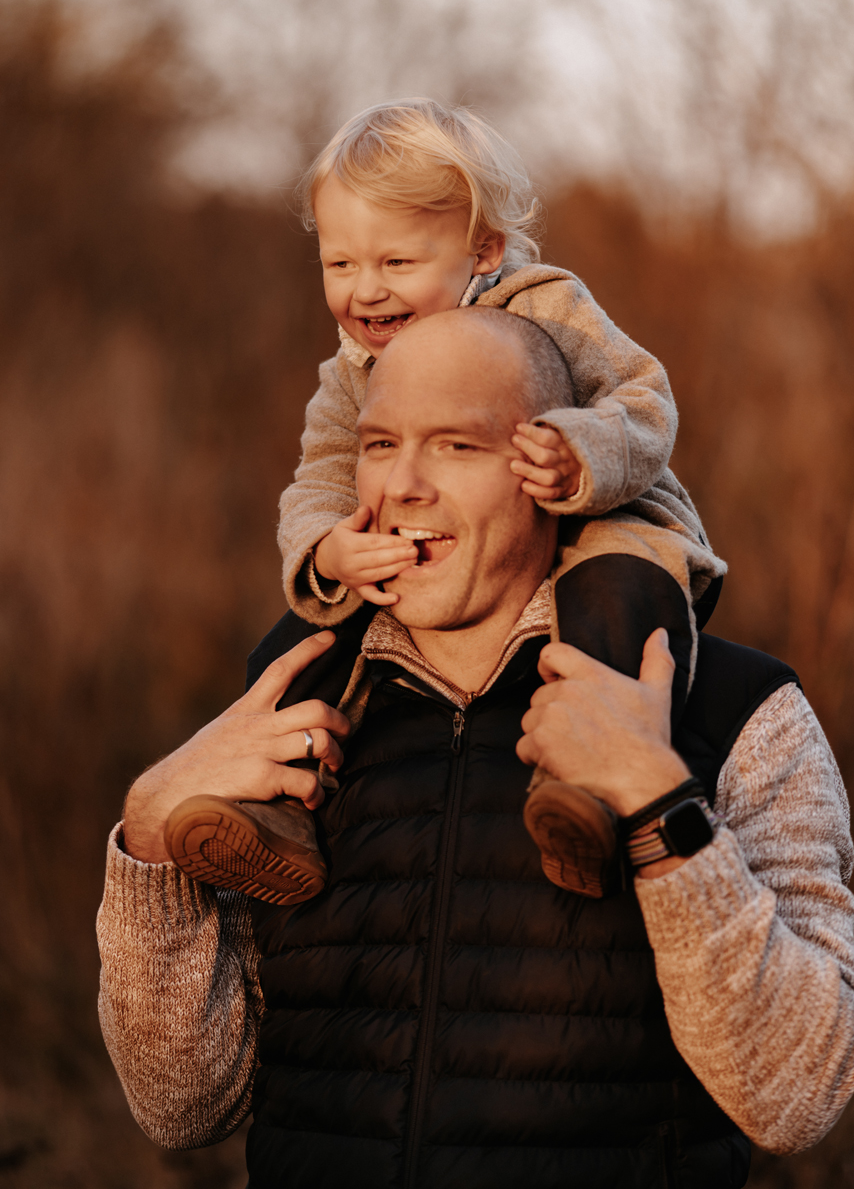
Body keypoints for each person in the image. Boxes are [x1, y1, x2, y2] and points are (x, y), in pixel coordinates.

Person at [98, 307, 854, 1189]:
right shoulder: (289, 708)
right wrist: (150, 844)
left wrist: (661, 807)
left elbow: (800, 1098)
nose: (404, 485)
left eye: (456, 446)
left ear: (556, 468)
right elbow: (181, 1109)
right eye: (379, 445)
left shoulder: (733, 710)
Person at [162, 97, 727, 907]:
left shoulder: (547, 309)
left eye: (397, 264)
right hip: (423, 550)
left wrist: (580, 450)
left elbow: (643, 402)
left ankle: (587, 792)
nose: (366, 292)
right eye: (341, 264)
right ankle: (274, 812)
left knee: (617, 601)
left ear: (483, 250)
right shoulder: (352, 371)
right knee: (296, 650)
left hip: (607, 521)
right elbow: (319, 475)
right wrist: (327, 548)